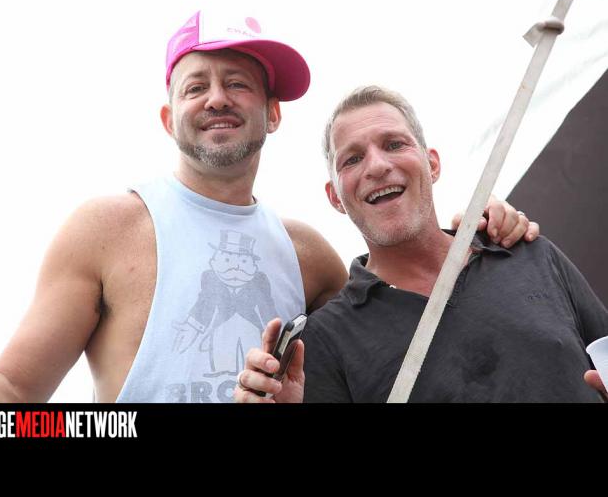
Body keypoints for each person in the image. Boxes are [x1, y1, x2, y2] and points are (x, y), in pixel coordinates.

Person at [0, 13, 536, 403]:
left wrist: (471, 234)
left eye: (238, 83)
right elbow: (13, 392)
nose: (217, 97)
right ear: (169, 119)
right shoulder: (105, 227)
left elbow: (406, 333)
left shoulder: (308, 254)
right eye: (195, 87)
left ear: (273, 114)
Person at [235, 85, 608, 403]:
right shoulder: (326, 339)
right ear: (336, 197)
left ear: (432, 165)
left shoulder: (530, 253)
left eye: (394, 144)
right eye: (353, 159)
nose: (377, 166)